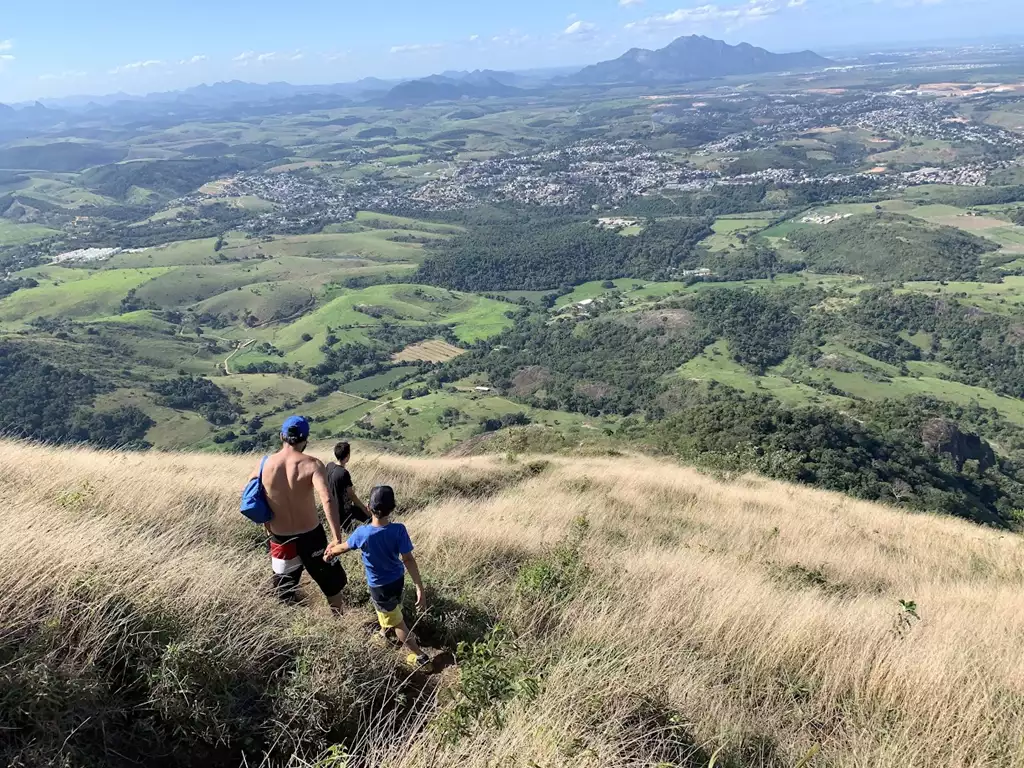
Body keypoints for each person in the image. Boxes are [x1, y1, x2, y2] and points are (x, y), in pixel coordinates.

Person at [324, 485, 430, 668]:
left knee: (398, 624)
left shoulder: (362, 533)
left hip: (379, 587)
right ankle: (383, 632)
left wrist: (330, 552)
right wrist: (420, 587)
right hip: (397, 580)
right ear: (393, 508)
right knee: (391, 610)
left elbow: (343, 547)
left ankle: (421, 657)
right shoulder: (399, 530)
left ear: (367, 507)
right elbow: (409, 560)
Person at [254, 415, 348, 612]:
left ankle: (289, 628)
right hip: (312, 536)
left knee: (284, 591)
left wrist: (266, 525)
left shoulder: (264, 465)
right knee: (331, 584)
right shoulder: (312, 464)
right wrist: (337, 537)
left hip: (280, 538)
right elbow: (327, 500)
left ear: (282, 436)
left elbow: (254, 498)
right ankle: (338, 619)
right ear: (305, 439)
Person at [325, 441, 370, 530]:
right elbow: (352, 495)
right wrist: (365, 510)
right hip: (343, 511)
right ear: (348, 456)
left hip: (331, 508)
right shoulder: (343, 473)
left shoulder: (329, 466)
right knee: (368, 520)